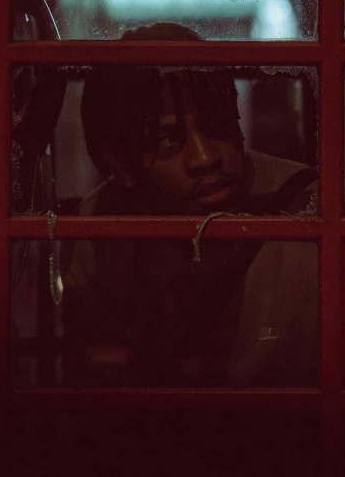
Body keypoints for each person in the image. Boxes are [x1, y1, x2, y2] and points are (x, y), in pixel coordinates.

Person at [61, 23, 326, 388]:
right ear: (119, 162)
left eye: (217, 124)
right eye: (169, 139)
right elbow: (102, 402)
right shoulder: (95, 233)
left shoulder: (315, 203)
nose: (204, 157)